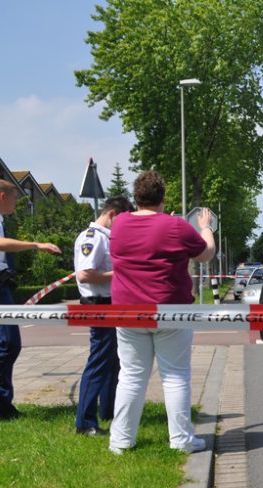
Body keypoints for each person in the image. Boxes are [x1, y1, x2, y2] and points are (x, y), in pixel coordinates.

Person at [107, 171, 215, 454]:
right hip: (171, 312)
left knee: (130, 376)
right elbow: (205, 254)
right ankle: (181, 441)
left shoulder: (118, 225)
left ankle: (120, 442)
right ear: (163, 198)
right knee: (175, 376)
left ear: (136, 197)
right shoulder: (176, 226)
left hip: (127, 313)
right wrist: (206, 229)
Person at [0, 180, 61, 420]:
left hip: (0, 284)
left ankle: (1, 405)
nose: (17, 202)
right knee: (6, 346)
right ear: (2, 196)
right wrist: (36, 245)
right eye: (14, 197)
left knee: (4, 346)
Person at [73, 196, 134, 436]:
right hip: (98, 304)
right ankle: (85, 422)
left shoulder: (106, 237)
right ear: (112, 214)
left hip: (110, 303)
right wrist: (118, 273)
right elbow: (85, 275)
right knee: (99, 361)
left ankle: (108, 411)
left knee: (113, 360)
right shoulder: (92, 237)